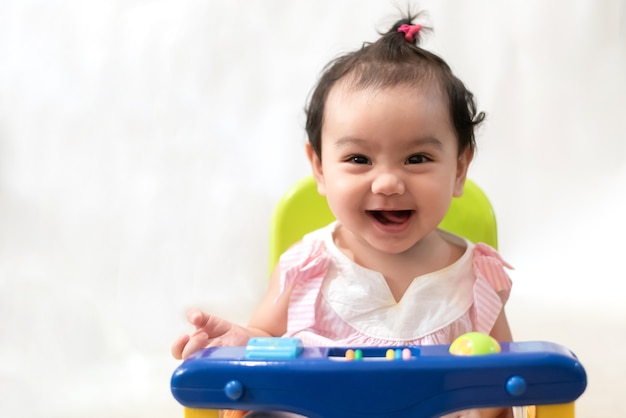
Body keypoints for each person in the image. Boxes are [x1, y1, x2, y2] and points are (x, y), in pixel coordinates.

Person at [172, 13, 515, 418]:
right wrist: (238, 341)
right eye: (358, 158)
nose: (387, 182)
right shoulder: (307, 268)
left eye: (417, 158)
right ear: (319, 168)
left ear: (459, 168)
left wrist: (485, 399)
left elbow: (505, 379)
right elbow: (265, 338)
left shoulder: (476, 279)